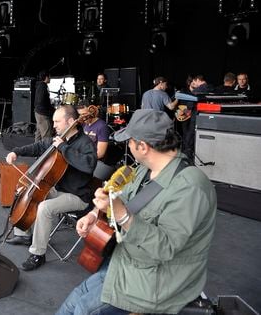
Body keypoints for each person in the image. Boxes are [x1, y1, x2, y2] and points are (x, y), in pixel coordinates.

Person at [56, 109, 216, 315]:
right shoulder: (144, 168)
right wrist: (95, 212)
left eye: (130, 142)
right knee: (74, 301)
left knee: (83, 310)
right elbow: (121, 197)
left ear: (143, 146)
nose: (128, 146)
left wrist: (123, 215)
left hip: (158, 280)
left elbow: (165, 247)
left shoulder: (191, 187)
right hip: (127, 261)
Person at [5, 105, 97, 271]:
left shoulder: (85, 143)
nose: (53, 125)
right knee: (26, 191)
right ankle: (23, 234)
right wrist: (16, 152)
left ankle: (38, 254)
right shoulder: (58, 138)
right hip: (58, 189)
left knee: (45, 207)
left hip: (77, 195)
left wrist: (63, 148)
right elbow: (39, 146)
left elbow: (88, 166)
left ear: (70, 121)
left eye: (57, 121)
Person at [34, 70, 54, 142]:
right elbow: (40, 100)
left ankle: (36, 151)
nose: (50, 78)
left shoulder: (40, 85)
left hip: (38, 112)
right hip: (42, 113)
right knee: (47, 135)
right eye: (49, 77)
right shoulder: (43, 86)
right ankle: (46, 152)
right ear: (46, 77)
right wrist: (49, 110)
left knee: (38, 134)